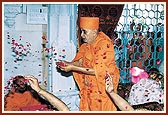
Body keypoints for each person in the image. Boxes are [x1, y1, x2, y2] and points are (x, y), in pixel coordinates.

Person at [56, 17, 120, 111]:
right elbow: (81, 61)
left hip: (103, 90)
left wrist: (72, 67)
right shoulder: (86, 45)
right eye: (81, 31)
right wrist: (68, 63)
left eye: (85, 32)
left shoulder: (104, 44)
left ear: (94, 31)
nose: (82, 35)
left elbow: (99, 71)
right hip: (89, 89)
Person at [4, 75, 69, 111]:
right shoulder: (9, 98)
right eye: (21, 83)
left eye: (25, 82)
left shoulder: (30, 93)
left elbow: (40, 104)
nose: (24, 84)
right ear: (15, 86)